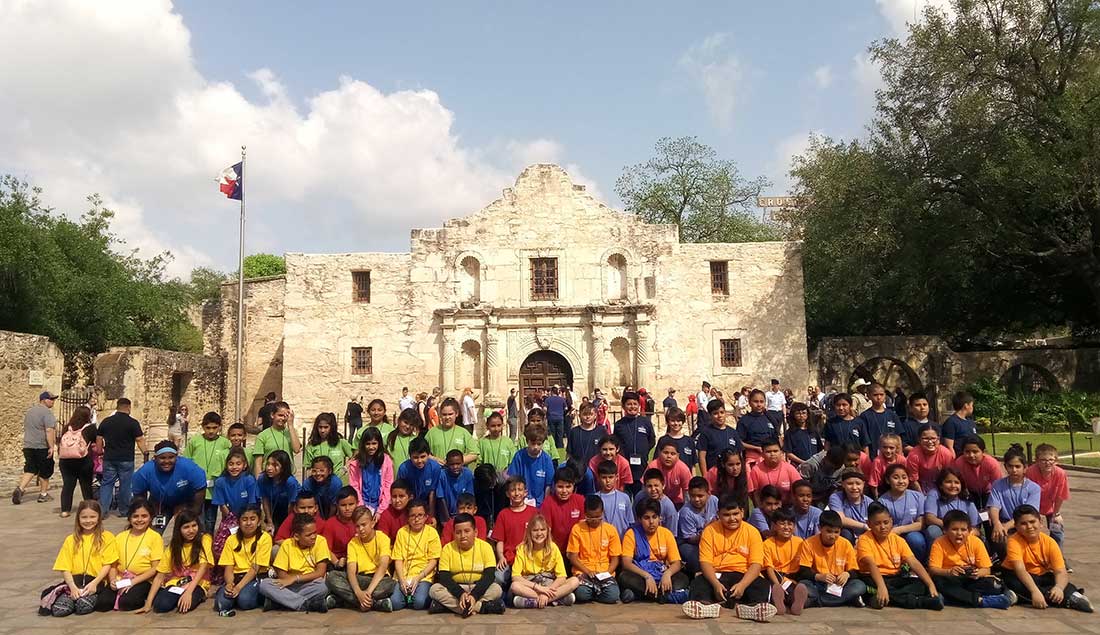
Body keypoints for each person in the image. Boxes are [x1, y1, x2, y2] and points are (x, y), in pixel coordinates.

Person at [682, 495, 775, 623]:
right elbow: (705, 563)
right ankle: (706, 606)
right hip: (718, 575)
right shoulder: (710, 531)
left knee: (762, 585)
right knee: (699, 582)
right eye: (726, 515)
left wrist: (742, 585)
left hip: (743, 575)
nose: (732, 519)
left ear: (742, 512)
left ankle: (752, 608)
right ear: (718, 514)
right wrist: (715, 584)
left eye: (735, 514)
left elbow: (756, 564)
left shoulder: (753, 532)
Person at [1001, 504, 1092, 612]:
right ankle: (1070, 598)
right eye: (1023, 524)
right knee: (1016, 584)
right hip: (1018, 575)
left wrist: (1059, 588)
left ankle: (1027, 597)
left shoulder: (1050, 542)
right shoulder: (1014, 541)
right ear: (1016, 526)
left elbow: (1060, 571)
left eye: (1032, 522)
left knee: (1061, 583)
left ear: (1041, 523)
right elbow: (1020, 570)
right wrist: (1034, 591)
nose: (1029, 527)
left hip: (1042, 575)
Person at [857, 502, 942, 610]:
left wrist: (930, 584)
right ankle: (919, 602)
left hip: (895, 577)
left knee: (922, 585)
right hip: (872, 577)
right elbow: (871, 564)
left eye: (886, 522)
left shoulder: (898, 540)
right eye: (877, 523)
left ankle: (883, 598)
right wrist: (881, 587)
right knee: (871, 588)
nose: (882, 527)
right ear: (869, 524)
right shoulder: (864, 540)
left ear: (891, 521)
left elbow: (913, 562)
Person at [41, 500, 117, 617]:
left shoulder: (107, 537)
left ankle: (86, 598)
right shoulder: (71, 539)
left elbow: (108, 564)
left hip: (96, 581)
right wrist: (72, 587)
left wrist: (94, 584)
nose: (88, 521)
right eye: (84, 517)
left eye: (92, 517)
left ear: (99, 518)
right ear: (78, 519)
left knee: (83, 607)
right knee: (60, 610)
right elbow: (64, 567)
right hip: (75, 581)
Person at [926, 509, 1014, 609]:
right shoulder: (939, 542)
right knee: (938, 582)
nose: (959, 533)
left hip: (970, 580)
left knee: (994, 585)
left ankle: (950, 599)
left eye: (963, 530)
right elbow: (933, 569)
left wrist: (978, 573)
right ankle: (982, 601)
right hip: (950, 579)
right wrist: (949, 572)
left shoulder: (976, 542)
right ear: (945, 530)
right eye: (954, 529)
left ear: (969, 531)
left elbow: (987, 569)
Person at [139, 509, 214, 614]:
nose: (191, 530)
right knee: (161, 606)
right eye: (186, 527)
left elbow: (203, 567)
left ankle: (200, 595)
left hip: (197, 582)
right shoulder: (173, 546)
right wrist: (148, 604)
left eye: (194, 526)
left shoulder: (205, 539)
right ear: (179, 529)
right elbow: (160, 576)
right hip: (177, 582)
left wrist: (188, 592)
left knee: (186, 605)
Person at [428, 513, 505, 615]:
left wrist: (474, 595)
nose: (463, 536)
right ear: (454, 533)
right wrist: (460, 594)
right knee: (434, 589)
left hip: (478, 587)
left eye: (467, 531)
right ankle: (480, 607)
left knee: (497, 589)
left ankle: (456, 607)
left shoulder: (485, 547)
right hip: (456, 589)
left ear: (475, 532)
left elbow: (489, 575)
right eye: (458, 532)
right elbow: (444, 577)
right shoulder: (447, 548)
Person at [92, 499, 161, 612]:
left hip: (142, 579)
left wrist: (132, 582)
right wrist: (113, 579)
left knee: (127, 602)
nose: (139, 520)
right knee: (102, 603)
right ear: (129, 518)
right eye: (135, 516)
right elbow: (113, 564)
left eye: (144, 516)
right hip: (121, 578)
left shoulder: (155, 537)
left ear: (151, 518)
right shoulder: (120, 537)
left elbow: (155, 569)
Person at [258, 512, 335, 612]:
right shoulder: (287, 544)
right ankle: (305, 604)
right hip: (289, 584)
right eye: (308, 535)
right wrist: (290, 580)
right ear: (297, 536)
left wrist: (296, 578)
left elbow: (320, 572)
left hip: (310, 582)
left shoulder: (320, 541)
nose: (313, 537)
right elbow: (281, 573)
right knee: (265, 584)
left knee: (323, 587)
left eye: (315, 533)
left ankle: (279, 602)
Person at [325, 506, 397, 612]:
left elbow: (383, 567)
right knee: (332, 577)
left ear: (372, 523)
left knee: (390, 585)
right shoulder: (353, 543)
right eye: (357, 526)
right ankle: (375, 603)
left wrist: (367, 592)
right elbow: (351, 571)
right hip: (361, 579)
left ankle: (345, 601)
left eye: (364, 525)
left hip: (379, 579)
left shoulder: (383, 539)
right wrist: (358, 593)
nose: (361, 529)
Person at [619, 498, 689, 604]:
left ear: (659, 518)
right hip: (641, 576)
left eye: (654, 517)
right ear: (639, 519)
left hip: (662, 574)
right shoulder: (631, 534)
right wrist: (647, 576)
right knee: (624, 577)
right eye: (646, 518)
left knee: (683, 579)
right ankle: (665, 596)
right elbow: (626, 563)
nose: (651, 522)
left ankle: (641, 595)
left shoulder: (666, 534)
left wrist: (667, 574)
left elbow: (677, 563)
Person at [131, 441, 207, 534]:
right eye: (162, 458)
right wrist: (148, 512)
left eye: (171, 457)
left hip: (187, 501)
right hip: (160, 502)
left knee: (193, 531)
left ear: (177, 457)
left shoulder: (189, 467)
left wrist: (192, 513)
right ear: (155, 458)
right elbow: (139, 496)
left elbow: (200, 489)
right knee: (152, 532)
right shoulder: (145, 471)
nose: (167, 461)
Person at [795, 510, 866, 608]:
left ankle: (816, 601)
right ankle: (845, 600)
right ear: (820, 528)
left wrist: (847, 574)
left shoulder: (845, 544)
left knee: (859, 586)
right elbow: (803, 571)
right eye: (828, 531)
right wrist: (819, 576)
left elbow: (855, 571)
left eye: (836, 532)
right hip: (819, 584)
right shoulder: (808, 543)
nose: (833, 536)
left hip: (839, 585)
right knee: (803, 585)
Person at [510, 513, 580, 607]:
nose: (539, 534)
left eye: (542, 530)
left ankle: (536, 601)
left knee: (575, 580)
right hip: (531, 585)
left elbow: (562, 577)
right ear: (529, 532)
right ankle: (557, 600)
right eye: (535, 530)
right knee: (515, 586)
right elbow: (515, 577)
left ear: (547, 531)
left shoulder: (553, 547)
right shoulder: (522, 548)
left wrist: (547, 591)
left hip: (550, 584)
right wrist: (539, 588)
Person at [213, 504, 271, 615]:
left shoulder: (265, 538)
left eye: (252, 519)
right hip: (236, 577)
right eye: (244, 519)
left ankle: (255, 596)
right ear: (239, 522)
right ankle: (234, 595)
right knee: (221, 604)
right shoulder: (231, 539)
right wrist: (230, 584)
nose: (248, 523)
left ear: (259, 522)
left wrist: (239, 587)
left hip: (254, 577)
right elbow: (228, 567)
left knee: (245, 602)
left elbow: (255, 568)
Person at [95, 397, 147, 517]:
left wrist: (99, 451)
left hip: (109, 457)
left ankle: (103, 511)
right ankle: (124, 510)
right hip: (126, 458)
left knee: (107, 483)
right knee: (125, 484)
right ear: (128, 407)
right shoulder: (133, 423)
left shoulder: (106, 421)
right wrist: (145, 452)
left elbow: (99, 438)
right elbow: (139, 440)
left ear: (117, 407)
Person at [567, 496, 622, 604]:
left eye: (598, 516)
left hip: (605, 572)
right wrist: (587, 571)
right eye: (591, 517)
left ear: (602, 512)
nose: (595, 520)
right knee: (582, 594)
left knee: (613, 595)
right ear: (585, 514)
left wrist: (608, 573)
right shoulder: (577, 529)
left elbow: (615, 558)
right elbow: (573, 557)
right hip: (584, 571)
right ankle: (594, 592)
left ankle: (595, 594)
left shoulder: (610, 530)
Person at [390, 499, 442, 610]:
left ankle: (415, 597)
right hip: (403, 576)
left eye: (420, 515)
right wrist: (402, 580)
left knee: (419, 603)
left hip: (423, 576)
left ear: (426, 516)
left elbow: (433, 560)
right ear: (407, 518)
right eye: (412, 516)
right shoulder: (402, 532)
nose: (416, 519)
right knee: (395, 603)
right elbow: (398, 559)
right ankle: (408, 597)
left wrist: (418, 577)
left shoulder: (432, 533)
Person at [182, 411, 229, 531]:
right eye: (208, 428)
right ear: (203, 427)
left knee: (210, 520)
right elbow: (186, 462)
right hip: (196, 488)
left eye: (214, 428)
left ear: (220, 427)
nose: (211, 431)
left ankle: (208, 543)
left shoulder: (225, 443)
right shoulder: (194, 441)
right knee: (197, 518)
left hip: (214, 489)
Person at [988, 444, 1042, 548]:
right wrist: (997, 523)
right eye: (1010, 466)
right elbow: (994, 506)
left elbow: (1029, 512)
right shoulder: (997, 485)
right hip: (1003, 523)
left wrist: (1006, 526)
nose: (1014, 470)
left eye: (1017, 466)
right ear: (1005, 467)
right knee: (1000, 540)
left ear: (1025, 468)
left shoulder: (1034, 488)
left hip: (1025, 525)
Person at [490, 476, 538, 588]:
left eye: (520, 490)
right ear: (507, 494)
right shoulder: (503, 514)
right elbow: (499, 540)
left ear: (525, 492)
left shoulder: (534, 513)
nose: (516, 493)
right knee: (498, 577)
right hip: (510, 559)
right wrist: (501, 556)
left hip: (530, 558)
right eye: (513, 490)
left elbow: (541, 536)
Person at [877, 464, 929, 562]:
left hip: (912, 532)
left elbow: (921, 524)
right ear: (888, 480)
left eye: (904, 477)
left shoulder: (918, 496)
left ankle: (917, 566)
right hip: (890, 534)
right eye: (896, 478)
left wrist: (900, 529)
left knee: (916, 540)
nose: (901, 481)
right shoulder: (882, 501)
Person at [16, 390, 59, 506]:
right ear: (44, 400)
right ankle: (43, 494)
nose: (53, 401)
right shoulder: (47, 413)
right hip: (42, 446)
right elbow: (49, 430)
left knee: (30, 468)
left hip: (28, 445)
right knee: (45, 470)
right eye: (51, 399)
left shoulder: (30, 412)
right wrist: (51, 447)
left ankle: (20, 488)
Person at [762, 508, 808, 615]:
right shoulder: (767, 544)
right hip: (775, 575)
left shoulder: (800, 542)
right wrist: (778, 584)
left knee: (795, 590)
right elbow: (769, 568)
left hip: (793, 576)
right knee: (774, 587)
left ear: (794, 526)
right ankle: (779, 600)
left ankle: (792, 603)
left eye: (790, 524)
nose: (786, 527)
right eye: (782, 524)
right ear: (774, 526)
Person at [1026, 443, 1069, 547]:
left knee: (1058, 531)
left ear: (1056, 460)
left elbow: (1061, 495)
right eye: (1043, 460)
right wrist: (1033, 513)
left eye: (1051, 460)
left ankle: (1057, 556)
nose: (1047, 463)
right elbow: (1027, 494)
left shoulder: (1060, 474)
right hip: (1034, 506)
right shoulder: (1030, 472)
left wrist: (1056, 513)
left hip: (1051, 507)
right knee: (1033, 531)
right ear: (1037, 461)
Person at [57, 405, 97, 518]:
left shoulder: (67, 427)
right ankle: (90, 508)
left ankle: (65, 510)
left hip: (65, 461)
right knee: (86, 485)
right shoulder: (90, 428)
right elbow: (96, 441)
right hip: (83, 460)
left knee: (68, 485)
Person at [923, 467, 981, 543]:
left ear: (961, 485)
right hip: (942, 530)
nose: (953, 485)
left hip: (963, 535)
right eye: (948, 482)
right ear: (941, 485)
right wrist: (951, 528)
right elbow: (929, 519)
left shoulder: (967, 499)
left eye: (957, 482)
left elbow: (975, 527)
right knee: (933, 530)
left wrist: (961, 532)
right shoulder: (934, 494)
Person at [613, 392, 655, 496]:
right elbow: (616, 444)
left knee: (641, 499)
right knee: (624, 497)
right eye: (629, 404)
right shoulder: (619, 425)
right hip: (625, 467)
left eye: (635, 404)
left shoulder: (645, 422)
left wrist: (644, 451)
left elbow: (651, 440)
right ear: (623, 406)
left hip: (641, 467)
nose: (632, 407)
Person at [211, 447, 259, 536]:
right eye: (231, 464)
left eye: (238, 464)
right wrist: (233, 522)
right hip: (230, 518)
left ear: (244, 465)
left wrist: (244, 521)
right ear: (226, 465)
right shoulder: (220, 482)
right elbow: (222, 506)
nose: (234, 467)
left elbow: (252, 503)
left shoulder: (249, 480)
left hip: (247, 517)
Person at [348, 426, 394, 515]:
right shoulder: (356, 463)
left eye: (374, 443)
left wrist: (381, 510)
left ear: (379, 444)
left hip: (381, 506)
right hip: (362, 505)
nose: (371, 447)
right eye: (368, 444)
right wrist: (362, 507)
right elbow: (354, 486)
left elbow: (388, 485)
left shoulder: (386, 461)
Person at [677, 476, 718, 576]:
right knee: (697, 558)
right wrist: (707, 530)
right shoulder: (686, 512)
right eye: (692, 496)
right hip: (691, 544)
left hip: (712, 539)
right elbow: (690, 539)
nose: (696, 499)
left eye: (700, 496)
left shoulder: (714, 501)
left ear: (708, 494)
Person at [540, 465, 585, 553]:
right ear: (554, 486)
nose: (564, 491)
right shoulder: (548, 503)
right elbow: (546, 531)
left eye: (568, 487)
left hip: (576, 551)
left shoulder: (580, 500)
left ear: (573, 486)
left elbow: (583, 528)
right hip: (554, 551)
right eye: (560, 487)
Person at [507, 423, 554, 506]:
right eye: (533, 443)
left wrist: (546, 503)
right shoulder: (519, 456)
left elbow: (548, 485)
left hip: (540, 504)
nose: (535, 447)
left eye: (539, 444)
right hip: (521, 502)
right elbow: (513, 480)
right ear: (527, 441)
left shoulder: (547, 459)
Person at [251, 401, 302, 476]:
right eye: (280, 415)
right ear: (272, 415)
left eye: (285, 416)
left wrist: (290, 425)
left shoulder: (292, 432)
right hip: (269, 476)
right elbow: (258, 463)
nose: (283, 418)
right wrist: (259, 480)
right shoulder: (263, 435)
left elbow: (296, 449)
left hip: (287, 476)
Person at [953, 435, 1003, 509]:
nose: (971, 455)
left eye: (975, 452)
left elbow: (998, 487)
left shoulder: (992, 464)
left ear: (983, 452)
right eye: (967, 452)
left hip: (989, 493)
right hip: (969, 492)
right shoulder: (959, 463)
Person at [257, 449, 301, 534]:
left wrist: (286, 526)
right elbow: (265, 500)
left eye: (275, 465)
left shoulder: (290, 482)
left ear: (283, 467)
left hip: (292, 510)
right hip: (274, 508)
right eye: (268, 464)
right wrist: (269, 521)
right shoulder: (262, 478)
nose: (269, 468)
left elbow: (291, 506)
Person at [397, 437, 441, 518]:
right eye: (415, 457)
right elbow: (401, 493)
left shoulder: (435, 468)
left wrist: (431, 516)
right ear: (410, 456)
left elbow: (432, 493)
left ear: (428, 455)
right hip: (409, 505)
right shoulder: (404, 469)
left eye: (423, 456)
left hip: (427, 505)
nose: (419, 461)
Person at [304, 412, 354, 482]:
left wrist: (345, 468)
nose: (322, 430)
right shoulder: (311, 445)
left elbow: (355, 456)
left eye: (326, 427)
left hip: (339, 482)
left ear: (331, 427)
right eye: (320, 427)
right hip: (319, 484)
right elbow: (308, 468)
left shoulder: (341, 442)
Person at [696, 398, 741, 476]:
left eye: (722, 412)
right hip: (714, 474)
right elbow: (702, 456)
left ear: (725, 413)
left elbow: (740, 454)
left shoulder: (732, 432)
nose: (719, 416)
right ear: (710, 415)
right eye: (715, 413)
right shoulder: (705, 433)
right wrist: (705, 475)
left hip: (731, 475)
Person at [749, 438, 801, 504]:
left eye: (775, 451)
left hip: (787, 508)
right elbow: (754, 495)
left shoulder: (790, 469)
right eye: (768, 452)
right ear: (762, 454)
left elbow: (799, 489)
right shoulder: (756, 470)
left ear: (781, 453)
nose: (772, 454)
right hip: (765, 508)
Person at [426, 397, 478, 465]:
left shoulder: (463, 432)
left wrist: (456, 462)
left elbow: (474, 453)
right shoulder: (432, 433)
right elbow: (423, 453)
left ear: (456, 414)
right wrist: (434, 459)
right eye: (444, 414)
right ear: (440, 415)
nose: (447, 417)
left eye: (450, 414)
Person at [906, 424, 955, 493]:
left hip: (941, 486)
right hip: (920, 487)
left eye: (933, 438)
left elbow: (951, 475)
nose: (930, 442)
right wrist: (921, 496)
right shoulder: (913, 455)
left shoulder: (946, 453)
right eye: (925, 438)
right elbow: (913, 480)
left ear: (938, 439)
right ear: (919, 440)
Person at [858, 383, 901, 459]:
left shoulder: (892, 415)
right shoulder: (865, 416)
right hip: (873, 454)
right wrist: (867, 459)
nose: (879, 397)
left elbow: (898, 436)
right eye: (875, 395)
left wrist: (900, 454)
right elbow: (865, 441)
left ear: (885, 395)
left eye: (881, 394)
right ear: (869, 396)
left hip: (892, 454)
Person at [829, 470, 872, 544]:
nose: (854, 487)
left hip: (865, 536)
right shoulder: (836, 497)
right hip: (847, 535)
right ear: (843, 484)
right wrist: (863, 526)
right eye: (850, 483)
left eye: (858, 484)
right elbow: (840, 519)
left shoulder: (870, 503)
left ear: (863, 484)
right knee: (845, 533)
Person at [321, 487, 360, 567]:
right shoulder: (330, 524)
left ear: (357, 503)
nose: (347, 508)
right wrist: (336, 562)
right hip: (338, 563)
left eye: (351, 504)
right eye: (343, 505)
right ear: (337, 505)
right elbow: (325, 548)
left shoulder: (362, 521)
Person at [633, 468, 679, 535]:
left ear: (663, 485)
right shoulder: (639, 497)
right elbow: (635, 520)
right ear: (644, 487)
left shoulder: (669, 508)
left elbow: (671, 534)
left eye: (656, 485)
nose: (653, 489)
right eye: (649, 486)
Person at [646, 439, 692, 506]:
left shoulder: (683, 469)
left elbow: (687, 492)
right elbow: (645, 487)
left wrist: (685, 509)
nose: (669, 456)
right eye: (666, 453)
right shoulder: (653, 466)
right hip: (656, 500)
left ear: (678, 456)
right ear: (659, 453)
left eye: (672, 454)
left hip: (677, 501)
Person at [594, 460, 634, 535]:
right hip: (601, 539)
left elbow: (630, 521)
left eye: (611, 477)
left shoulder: (624, 498)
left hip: (622, 540)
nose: (608, 481)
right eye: (604, 477)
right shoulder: (594, 498)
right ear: (598, 478)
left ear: (617, 477)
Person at [437, 449, 476, 522]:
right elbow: (441, 499)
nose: (455, 467)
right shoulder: (442, 475)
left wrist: (466, 517)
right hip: (446, 514)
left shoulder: (467, 474)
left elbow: (469, 498)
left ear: (462, 463)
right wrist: (447, 520)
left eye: (458, 464)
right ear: (447, 463)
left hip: (464, 515)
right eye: (452, 464)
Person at [656, 407, 697, 472]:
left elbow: (693, 466)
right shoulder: (663, 440)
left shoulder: (689, 441)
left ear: (683, 421)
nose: (676, 423)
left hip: (685, 479)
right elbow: (657, 463)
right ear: (668, 422)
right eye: (672, 421)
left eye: (678, 421)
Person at [478, 411, 517, 476]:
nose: (496, 429)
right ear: (487, 426)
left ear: (503, 425)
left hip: (505, 478)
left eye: (499, 425)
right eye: (493, 426)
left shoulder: (508, 442)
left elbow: (512, 462)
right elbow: (479, 462)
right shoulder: (482, 442)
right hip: (487, 477)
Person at [566, 403, 604, 468]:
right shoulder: (574, 431)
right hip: (577, 468)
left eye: (591, 414)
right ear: (580, 415)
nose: (588, 417)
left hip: (597, 467)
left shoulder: (601, 431)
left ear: (595, 415)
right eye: (585, 414)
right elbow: (569, 453)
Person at [783, 403, 821, 467]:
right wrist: (804, 462)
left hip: (815, 465)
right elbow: (789, 453)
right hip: (798, 466)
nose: (801, 416)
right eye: (798, 413)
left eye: (804, 413)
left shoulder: (813, 431)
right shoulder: (790, 433)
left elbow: (820, 449)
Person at [543, 386, 567, 450]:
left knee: (552, 433)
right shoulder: (562, 399)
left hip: (551, 418)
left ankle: (553, 447)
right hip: (560, 417)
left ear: (551, 392)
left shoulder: (548, 399)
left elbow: (545, 409)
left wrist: (545, 415)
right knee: (560, 433)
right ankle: (560, 447)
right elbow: (565, 408)